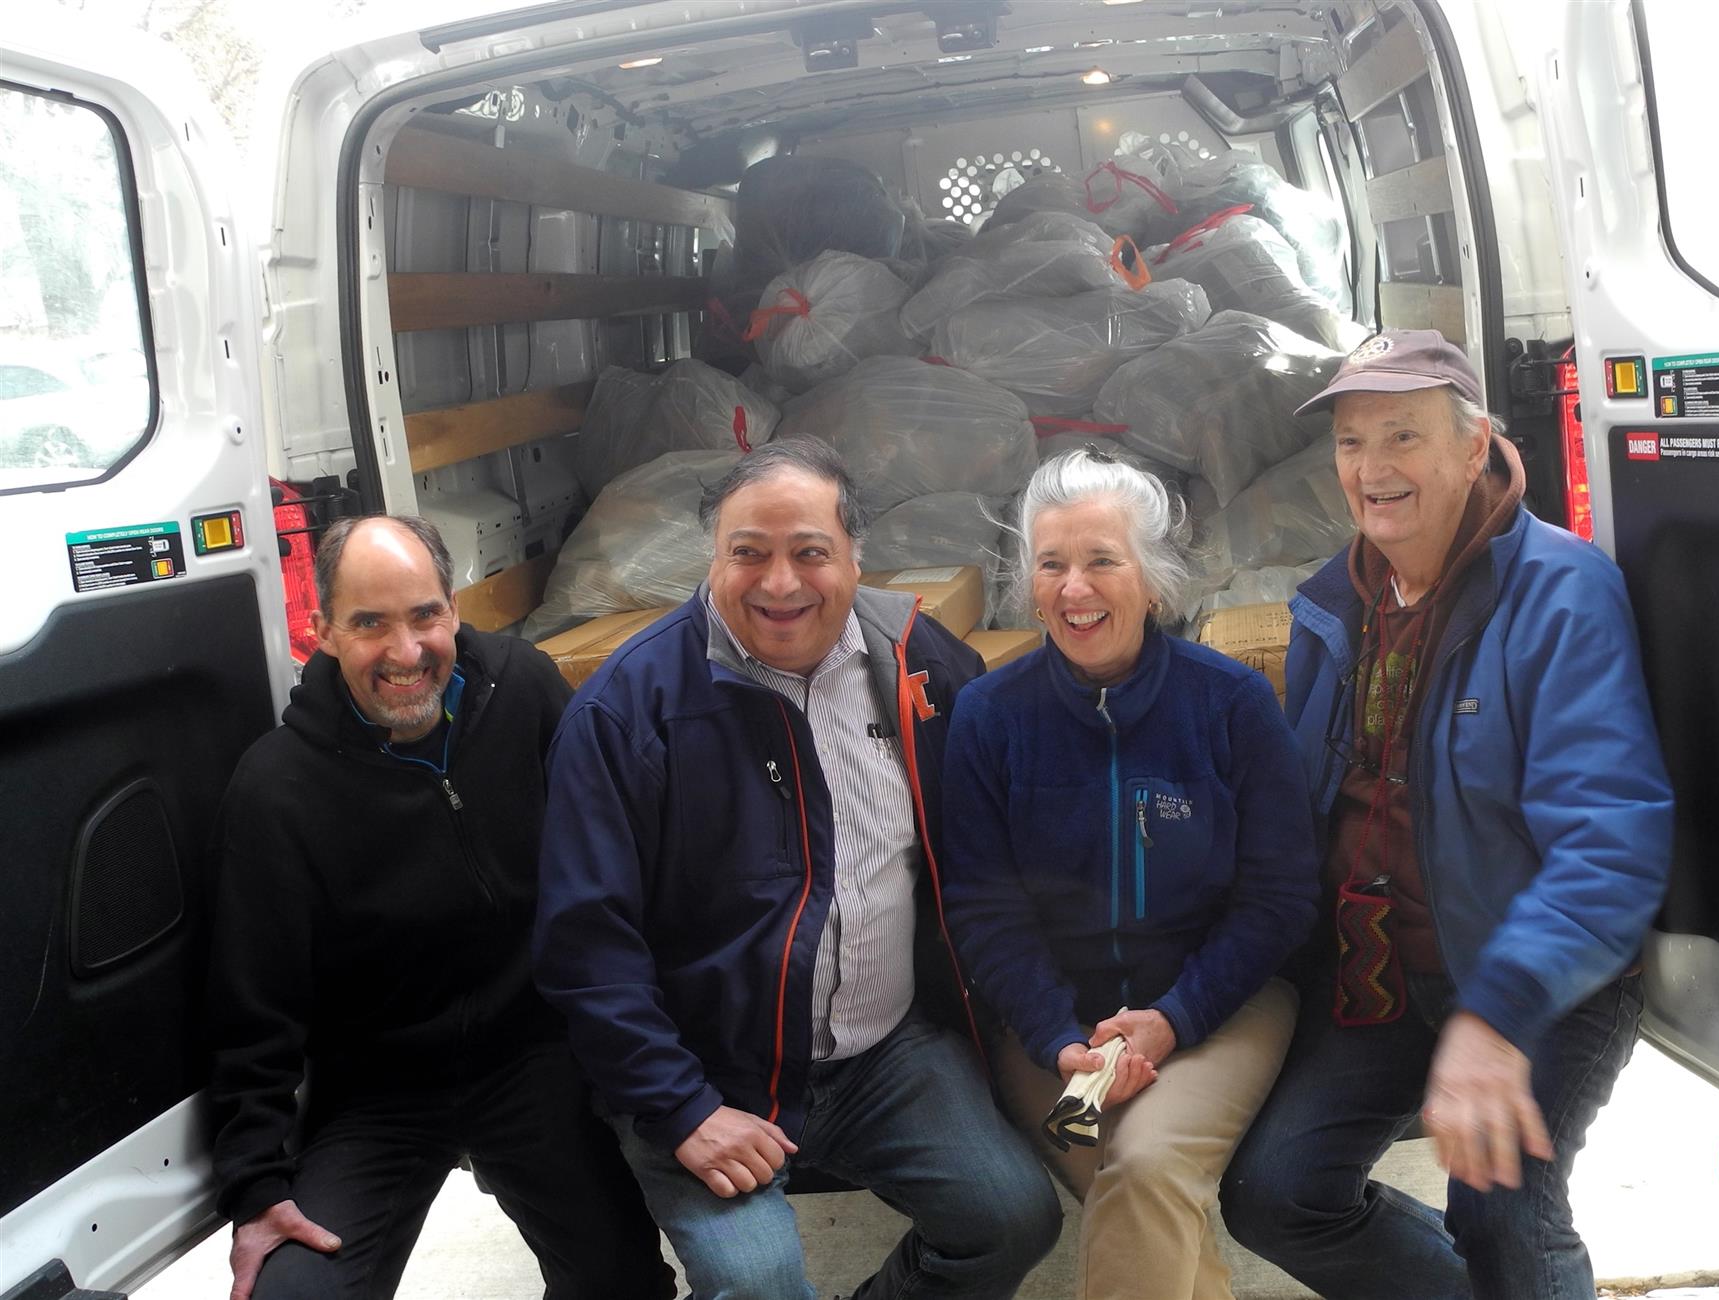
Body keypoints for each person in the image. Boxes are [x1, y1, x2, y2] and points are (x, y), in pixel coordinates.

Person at [533, 438, 1062, 1300]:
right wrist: (682, 1110)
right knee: (761, 1287)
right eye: (749, 553)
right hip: (710, 1074)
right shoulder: (631, 711)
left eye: (810, 552)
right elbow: (586, 949)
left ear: (856, 559)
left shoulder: (916, 661)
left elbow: (1007, 815)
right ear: (714, 560)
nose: (780, 584)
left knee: (1010, 1220)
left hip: (884, 1056)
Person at [1218, 329, 1675, 1299]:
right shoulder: (1331, 607)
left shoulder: (1560, 593)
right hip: (1385, 975)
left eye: (1402, 436)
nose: (1371, 469)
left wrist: (1495, 1019)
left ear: (1474, 447)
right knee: (1274, 1190)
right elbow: (1303, 817)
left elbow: (1610, 845)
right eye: (1350, 442)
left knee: (1502, 1203)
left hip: (1540, 981)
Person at [205, 515, 672, 1300]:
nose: (405, 651)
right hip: (378, 1089)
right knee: (290, 1295)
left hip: (532, 1053)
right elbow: (252, 1005)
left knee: (622, 1281)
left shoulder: (523, 689)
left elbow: (615, 866)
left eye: (424, 614)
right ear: (319, 630)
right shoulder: (275, 789)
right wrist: (255, 1187)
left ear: (453, 610)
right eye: (368, 623)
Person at [939, 448, 1322, 1300]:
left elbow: (1280, 896)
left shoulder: (1229, 704)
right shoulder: (989, 719)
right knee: (1145, 1200)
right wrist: (1055, 1038)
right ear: (1028, 583)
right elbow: (982, 908)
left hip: (1220, 1007)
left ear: (1153, 579)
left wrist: (1173, 1018)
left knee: (1144, 1165)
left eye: (1102, 561)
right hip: (1054, 1028)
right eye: (1052, 565)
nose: (1075, 590)